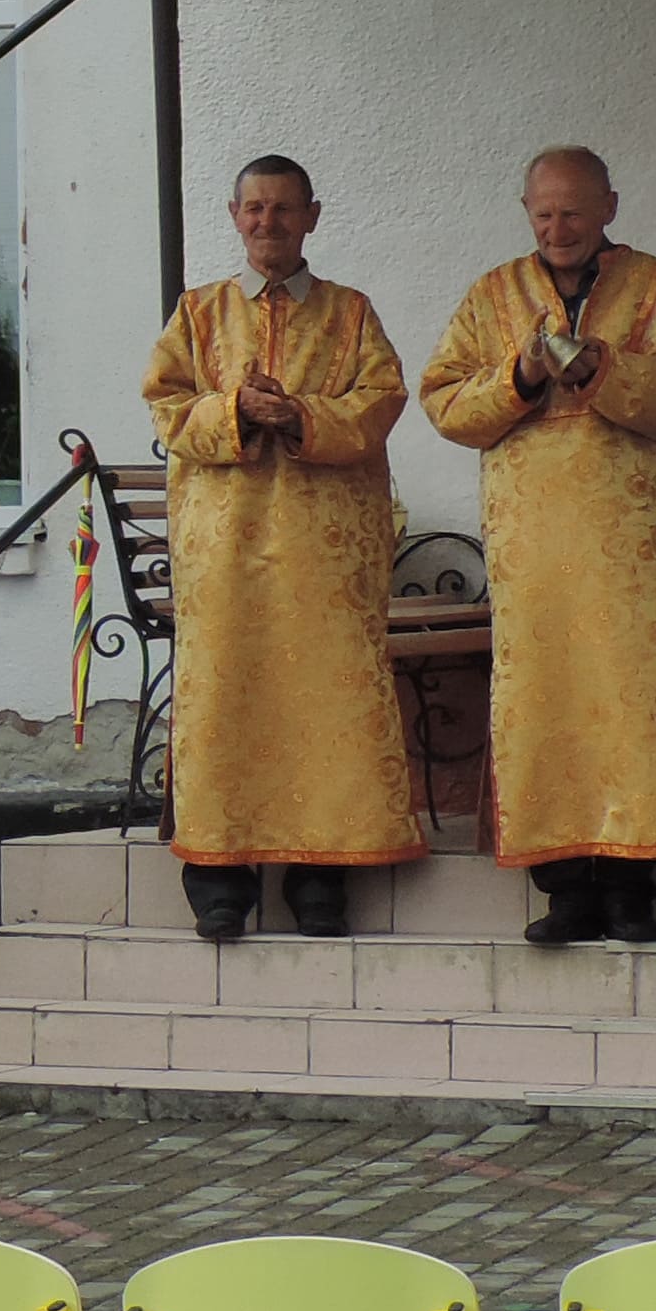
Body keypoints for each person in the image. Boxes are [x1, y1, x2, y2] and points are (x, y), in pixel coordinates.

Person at [417, 148, 656, 948]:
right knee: (548, 706)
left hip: (636, 548)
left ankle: (632, 890)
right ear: (526, 211)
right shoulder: (491, 295)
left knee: (634, 706)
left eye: (574, 212)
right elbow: (444, 404)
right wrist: (517, 378)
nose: (558, 229)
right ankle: (565, 890)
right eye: (544, 214)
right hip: (535, 549)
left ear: (609, 206)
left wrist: (604, 370)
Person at [142, 157, 420, 941]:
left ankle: (319, 876)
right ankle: (219, 878)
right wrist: (236, 408)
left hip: (323, 556)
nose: (269, 222)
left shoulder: (352, 313)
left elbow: (381, 401)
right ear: (235, 216)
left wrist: (298, 415)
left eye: (284, 209)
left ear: (312, 217)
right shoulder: (198, 312)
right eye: (256, 209)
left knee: (321, 703)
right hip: (224, 551)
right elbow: (166, 406)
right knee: (225, 696)